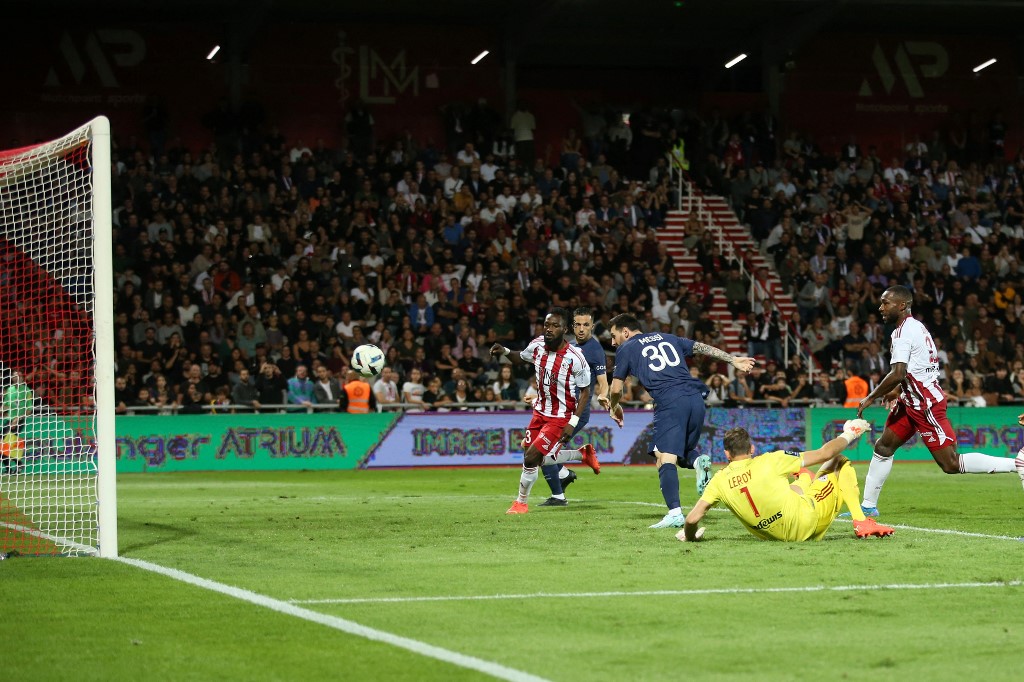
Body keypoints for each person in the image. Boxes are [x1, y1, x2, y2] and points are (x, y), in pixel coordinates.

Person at [855, 286, 1024, 517]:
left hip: (925, 404)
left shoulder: (904, 332)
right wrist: (898, 390)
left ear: (902, 305)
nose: (880, 308)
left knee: (951, 464)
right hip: (911, 400)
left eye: (886, 303)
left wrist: (870, 397)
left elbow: (898, 372)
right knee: (883, 447)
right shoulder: (917, 327)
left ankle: (1018, 464)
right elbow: (918, 368)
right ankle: (867, 507)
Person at [605, 313, 756, 529]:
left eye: (614, 335)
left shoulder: (626, 348)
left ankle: (675, 513)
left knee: (664, 457)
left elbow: (616, 388)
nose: (613, 342)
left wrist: (615, 406)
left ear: (625, 332)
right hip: (695, 399)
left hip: (670, 402)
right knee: (677, 453)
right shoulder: (668, 337)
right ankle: (697, 462)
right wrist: (732, 359)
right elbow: (702, 348)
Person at [679, 422, 895, 542]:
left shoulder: (718, 481)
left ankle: (803, 478)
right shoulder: (771, 460)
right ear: (751, 449)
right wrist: (850, 433)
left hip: (776, 536)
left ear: (726, 453)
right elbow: (824, 453)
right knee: (837, 461)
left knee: (798, 483)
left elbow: (691, 519)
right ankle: (861, 520)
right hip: (807, 522)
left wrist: (691, 537)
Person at [489, 308, 600, 514]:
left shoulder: (575, 357)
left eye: (555, 326)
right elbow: (520, 358)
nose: (549, 329)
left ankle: (520, 503)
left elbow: (585, 392)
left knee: (531, 457)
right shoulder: (537, 345)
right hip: (539, 412)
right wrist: (504, 351)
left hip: (560, 417)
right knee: (532, 456)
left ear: (565, 329)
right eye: (547, 325)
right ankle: (580, 454)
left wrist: (572, 422)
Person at [539, 306, 610, 507]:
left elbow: (603, 382)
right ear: (572, 326)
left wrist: (604, 396)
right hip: (558, 408)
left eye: (585, 325)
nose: (581, 329)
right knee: (544, 448)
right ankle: (565, 471)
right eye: (577, 324)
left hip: (577, 411)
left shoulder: (595, 350)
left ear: (592, 326)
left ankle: (558, 496)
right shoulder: (568, 346)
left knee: (545, 448)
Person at [1, 370, 33, 473]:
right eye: (14, 376)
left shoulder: (26, 391)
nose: (16, 378)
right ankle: (11, 469)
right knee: (4, 445)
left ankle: (18, 465)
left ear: (22, 377)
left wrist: (18, 419)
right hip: (8, 420)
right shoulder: (10, 390)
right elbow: (6, 405)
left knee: (5, 444)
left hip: (18, 421)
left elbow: (29, 410)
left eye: (18, 376)